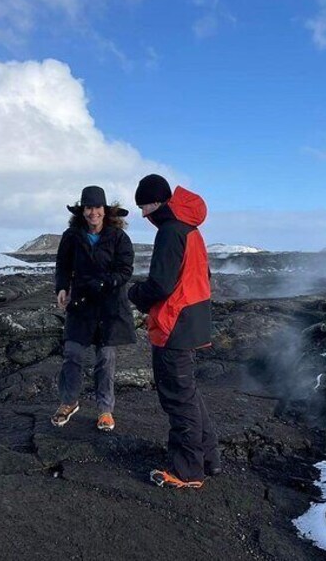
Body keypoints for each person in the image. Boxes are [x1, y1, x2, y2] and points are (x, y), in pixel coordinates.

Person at [128, 174, 221, 489]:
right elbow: (202, 276)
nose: (144, 215)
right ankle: (209, 459)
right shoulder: (191, 229)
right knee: (188, 393)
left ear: (157, 202)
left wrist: (135, 294)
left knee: (178, 399)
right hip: (192, 321)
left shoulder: (169, 231)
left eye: (145, 207)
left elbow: (161, 285)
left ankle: (188, 472)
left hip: (175, 325)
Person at [53, 185, 136, 432]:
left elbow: (125, 270)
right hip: (80, 304)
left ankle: (105, 410)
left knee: (106, 358)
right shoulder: (72, 235)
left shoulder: (119, 238)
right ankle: (68, 402)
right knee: (72, 352)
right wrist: (62, 287)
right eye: (88, 207)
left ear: (105, 210)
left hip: (110, 306)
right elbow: (63, 265)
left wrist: (104, 282)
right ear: (82, 210)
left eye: (97, 207)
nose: (93, 213)